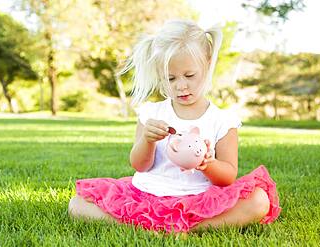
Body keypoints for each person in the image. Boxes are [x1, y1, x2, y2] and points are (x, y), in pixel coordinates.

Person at [68, 19, 281, 234]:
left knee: (258, 201)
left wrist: (207, 164)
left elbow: (227, 176)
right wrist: (147, 141)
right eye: (170, 78)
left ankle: (177, 226)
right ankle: (169, 227)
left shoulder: (222, 120)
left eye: (189, 75)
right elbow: (139, 165)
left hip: (198, 200)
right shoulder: (151, 113)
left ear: (207, 64)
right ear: (161, 77)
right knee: (77, 204)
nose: (181, 85)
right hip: (146, 195)